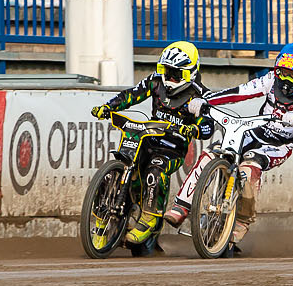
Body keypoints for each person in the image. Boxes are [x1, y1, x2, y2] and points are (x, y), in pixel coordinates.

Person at [173, 43, 293, 253]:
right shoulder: (271, 79)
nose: (285, 78)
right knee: (213, 152)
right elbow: (239, 92)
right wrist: (204, 101)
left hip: (280, 144)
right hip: (256, 131)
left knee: (249, 168)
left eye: (292, 74)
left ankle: (241, 222)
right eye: (282, 71)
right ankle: (182, 205)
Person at [89, 41, 216, 249]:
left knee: (154, 170)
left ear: (191, 73)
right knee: (121, 165)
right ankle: (102, 219)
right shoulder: (155, 81)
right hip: (148, 137)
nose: (169, 78)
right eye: (166, 71)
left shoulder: (199, 95)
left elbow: (208, 126)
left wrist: (194, 129)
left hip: (173, 148)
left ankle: (150, 218)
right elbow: (131, 95)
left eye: (175, 74)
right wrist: (108, 107)